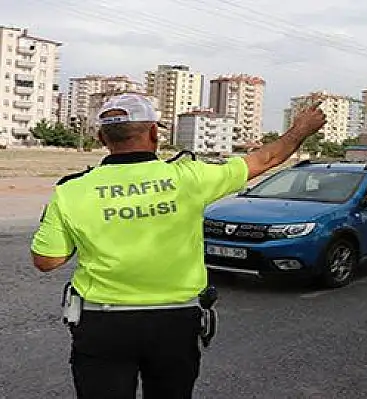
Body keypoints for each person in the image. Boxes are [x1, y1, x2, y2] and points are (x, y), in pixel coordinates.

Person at [29, 93, 326, 398]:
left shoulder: (72, 190)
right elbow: (267, 159)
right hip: (175, 321)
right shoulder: (189, 177)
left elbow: (47, 260)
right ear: (154, 133)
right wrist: (301, 128)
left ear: (101, 136)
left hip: (103, 321)